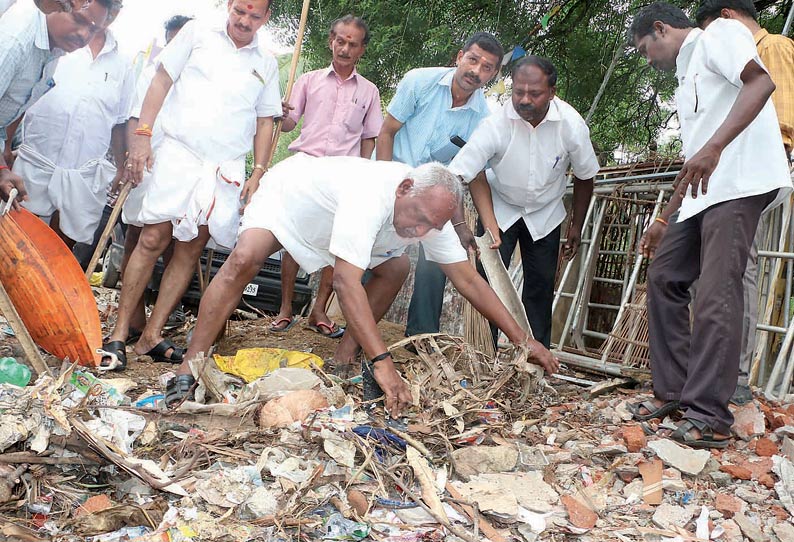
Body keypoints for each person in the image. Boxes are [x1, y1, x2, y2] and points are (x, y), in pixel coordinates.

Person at [165, 154, 559, 413]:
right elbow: (345, 282)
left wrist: (525, 341)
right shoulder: (370, 194)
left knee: (397, 268)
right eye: (417, 218)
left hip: (341, 227)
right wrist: (384, 363)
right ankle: (190, 363)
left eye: (430, 226)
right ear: (404, 188)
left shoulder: (430, 216)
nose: (420, 230)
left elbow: (470, 281)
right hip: (291, 202)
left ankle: (344, 358)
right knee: (244, 259)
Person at [629, 2, 792, 448]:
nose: (649, 61)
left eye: (646, 50)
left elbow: (762, 82)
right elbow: (694, 157)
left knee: (718, 289)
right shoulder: (687, 78)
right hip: (706, 192)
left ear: (661, 29)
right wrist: (665, 217)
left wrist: (717, 147)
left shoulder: (718, 34)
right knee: (664, 276)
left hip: (741, 181)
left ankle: (710, 415)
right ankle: (677, 393)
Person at [101, 0, 281, 371]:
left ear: (266, 19)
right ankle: (119, 334)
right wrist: (143, 135)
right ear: (230, 6)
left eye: (254, 15)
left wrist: (258, 171)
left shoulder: (265, 63)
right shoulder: (196, 33)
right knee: (152, 239)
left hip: (223, 168)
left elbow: (266, 120)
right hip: (178, 154)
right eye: (240, 11)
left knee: (190, 248)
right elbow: (161, 80)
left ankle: (151, 334)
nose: (244, 20)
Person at [449, 56, 599, 348]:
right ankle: (484, 355)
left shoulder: (571, 124)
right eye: (519, 92)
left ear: (552, 92)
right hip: (500, 210)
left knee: (540, 289)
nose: (525, 100)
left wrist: (576, 226)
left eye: (535, 93)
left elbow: (585, 176)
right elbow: (459, 174)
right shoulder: (495, 125)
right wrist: (460, 225)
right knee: (488, 284)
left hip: (545, 214)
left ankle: (537, 358)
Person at [693, 0, 794, 405]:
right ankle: (716, 372)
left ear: (726, 18)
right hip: (732, 174)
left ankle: (732, 377)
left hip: (756, 175)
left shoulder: (772, 48)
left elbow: (783, 121)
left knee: (738, 272)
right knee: (724, 272)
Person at [376, 32, 503, 343]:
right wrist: (380, 181)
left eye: (487, 68)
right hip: (393, 183)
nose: (476, 71)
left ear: (493, 75)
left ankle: (421, 336)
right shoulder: (419, 82)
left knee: (437, 258)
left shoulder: (482, 119)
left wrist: (489, 225)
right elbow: (387, 131)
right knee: (376, 251)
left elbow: (474, 176)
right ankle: (360, 323)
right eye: (473, 60)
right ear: (459, 57)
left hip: (434, 199)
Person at [271, 14, 383, 339]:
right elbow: (290, 124)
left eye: (352, 43)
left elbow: (370, 138)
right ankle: (286, 309)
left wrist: (365, 176)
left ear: (362, 50)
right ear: (331, 41)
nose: (345, 48)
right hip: (306, 166)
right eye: (340, 40)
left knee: (338, 244)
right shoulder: (308, 80)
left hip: (344, 174)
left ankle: (318, 311)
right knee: (293, 238)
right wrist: (282, 114)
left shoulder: (369, 91)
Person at [12, 0, 132, 248]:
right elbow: (23, 95)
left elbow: (120, 121)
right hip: (37, 159)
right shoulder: (60, 39)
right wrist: (5, 145)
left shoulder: (123, 63)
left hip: (84, 171)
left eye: (116, 6)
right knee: (18, 237)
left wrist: (121, 166)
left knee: (61, 246)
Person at [0, 0, 111, 208]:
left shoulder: (53, 50)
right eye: (79, 20)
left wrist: (1, 170)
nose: (84, 35)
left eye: (93, 29)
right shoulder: (15, 40)